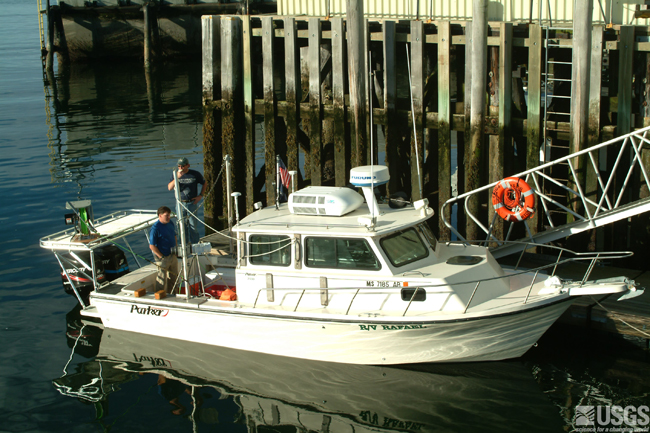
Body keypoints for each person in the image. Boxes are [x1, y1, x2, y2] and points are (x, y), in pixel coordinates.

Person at [168, 157, 205, 245]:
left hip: (192, 203)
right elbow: (169, 187)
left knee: (193, 226)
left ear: (187, 165)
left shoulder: (195, 174)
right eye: (179, 166)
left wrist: (200, 195)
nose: (180, 168)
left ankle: (195, 245)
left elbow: (204, 183)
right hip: (180, 203)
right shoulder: (175, 174)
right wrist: (176, 177)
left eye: (182, 166)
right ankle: (184, 245)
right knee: (182, 226)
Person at [149, 206, 179, 294]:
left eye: (169, 215)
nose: (169, 217)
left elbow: (174, 236)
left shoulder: (170, 223)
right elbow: (152, 246)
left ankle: (173, 294)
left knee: (174, 277)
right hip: (163, 257)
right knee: (162, 280)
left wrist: (176, 249)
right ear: (160, 215)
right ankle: (160, 297)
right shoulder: (155, 228)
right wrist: (161, 256)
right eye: (166, 215)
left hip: (172, 255)